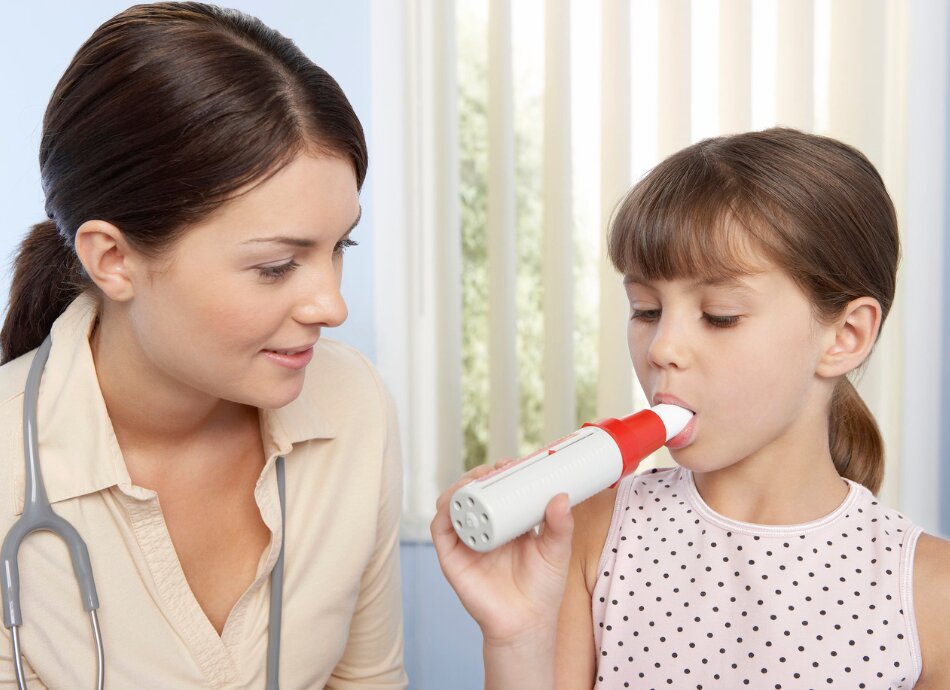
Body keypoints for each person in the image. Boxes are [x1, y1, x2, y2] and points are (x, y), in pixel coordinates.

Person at [432, 128, 950, 689]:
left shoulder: (928, 591)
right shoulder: (594, 532)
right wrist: (517, 639)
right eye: (646, 310)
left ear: (845, 336)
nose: (661, 349)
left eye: (720, 315)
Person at [0, 3, 407, 688]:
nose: (332, 305)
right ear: (114, 260)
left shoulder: (352, 406)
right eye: (276, 266)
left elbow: (369, 679)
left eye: (341, 247)